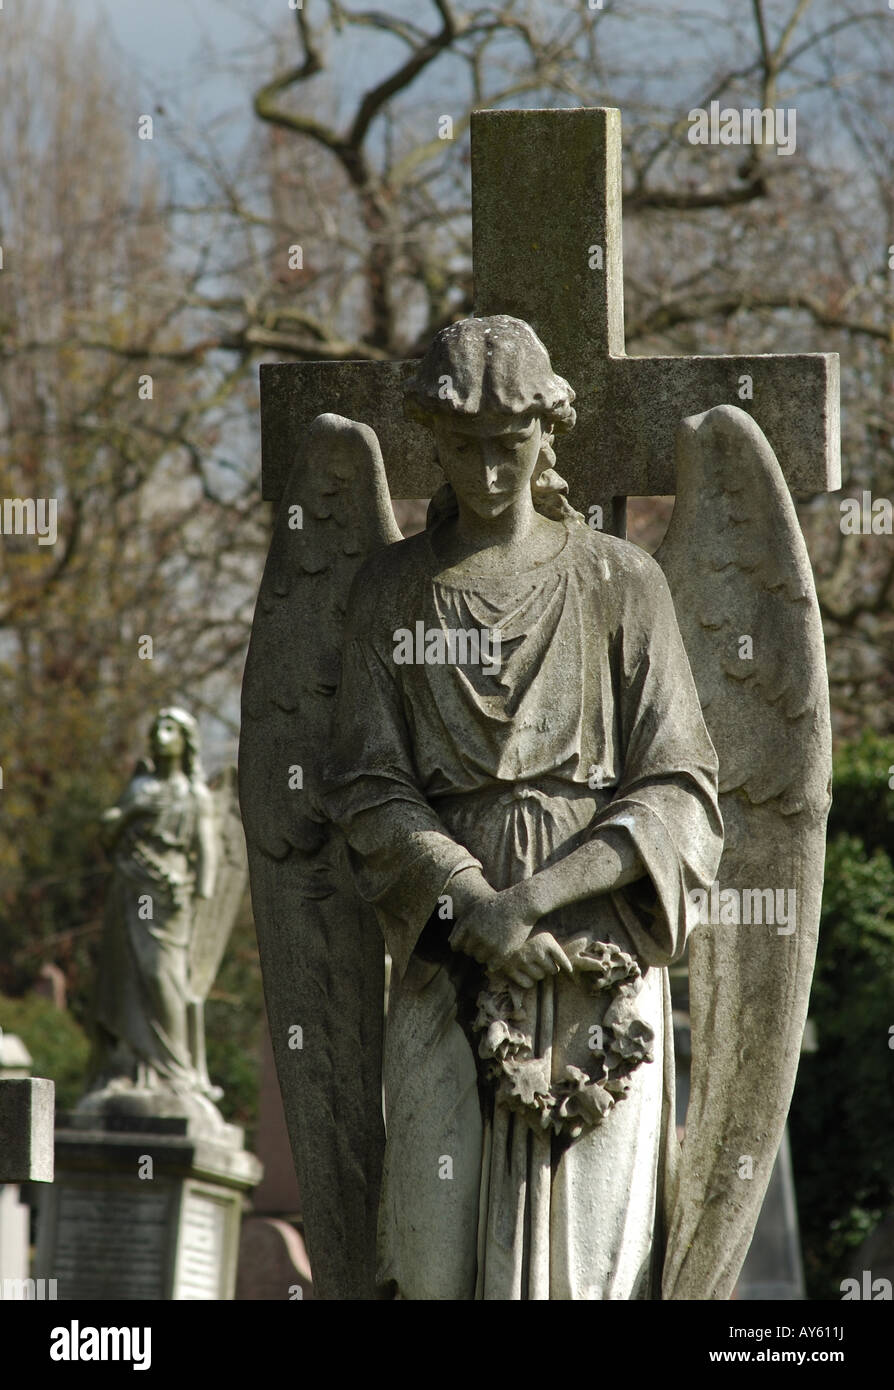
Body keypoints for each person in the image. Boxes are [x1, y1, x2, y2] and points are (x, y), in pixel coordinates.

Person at [324, 315, 723, 1299]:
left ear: (551, 435)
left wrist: (535, 900)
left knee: (590, 1266)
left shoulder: (621, 581)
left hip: (592, 952)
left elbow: (679, 786)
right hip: (447, 951)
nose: (490, 470)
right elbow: (369, 789)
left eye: (512, 445)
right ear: (434, 441)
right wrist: (470, 903)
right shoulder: (394, 592)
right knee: (432, 1259)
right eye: (465, 446)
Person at [87, 707, 217, 1100]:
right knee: (125, 976)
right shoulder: (139, 788)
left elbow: (207, 852)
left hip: (169, 895)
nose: (161, 733)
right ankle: (128, 1064)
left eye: (171, 728)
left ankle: (175, 1070)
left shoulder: (195, 794)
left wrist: (197, 900)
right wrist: (131, 812)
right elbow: (107, 838)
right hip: (129, 887)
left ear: (185, 741)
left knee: (163, 976)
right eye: (157, 726)